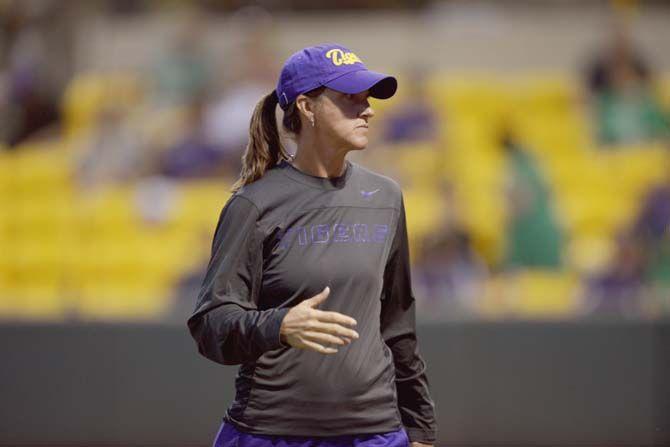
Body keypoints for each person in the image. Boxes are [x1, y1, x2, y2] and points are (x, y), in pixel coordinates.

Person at [187, 44, 437, 447]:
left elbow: (398, 324)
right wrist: (279, 325)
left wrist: (421, 428)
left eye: (368, 98)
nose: (368, 109)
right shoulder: (253, 204)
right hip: (270, 433)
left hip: (375, 432)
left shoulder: (386, 197)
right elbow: (209, 325)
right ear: (307, 107)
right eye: (350, 99)